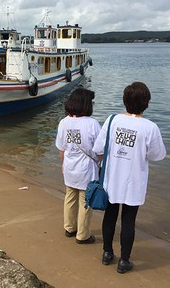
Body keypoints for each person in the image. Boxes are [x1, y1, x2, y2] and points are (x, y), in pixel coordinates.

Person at [92, 82, 166, 274]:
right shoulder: (150, 127)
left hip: (111, 178)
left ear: (124, 101)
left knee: (110, 215)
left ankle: (107, 253)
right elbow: (157, 155)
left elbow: (98, 149)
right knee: (128, 220)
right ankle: (124, 261)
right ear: (146, 103)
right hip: (134, 181)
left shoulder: (112, 120)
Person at [55, 88, 102, 244]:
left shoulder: (64, 122)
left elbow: (61, 148)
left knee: (69, 197)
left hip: (69, 166)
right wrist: (102, 165)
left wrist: (63, 165)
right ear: (86, 104)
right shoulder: (92, 124)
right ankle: (82, 235)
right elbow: (99, 149)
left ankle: (69, 228)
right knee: (85, 201)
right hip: (86, 169)